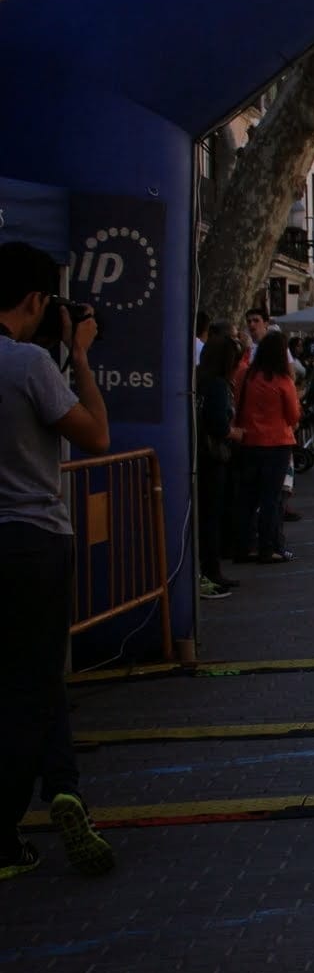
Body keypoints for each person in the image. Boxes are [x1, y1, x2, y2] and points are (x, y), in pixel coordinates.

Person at [0, 243, 116, 879]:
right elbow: (95, 435)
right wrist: (81, 358)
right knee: (37, 680)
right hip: (33, 538)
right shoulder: (27, 365)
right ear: (35, 300)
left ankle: (65, 785)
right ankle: (23, 812)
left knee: (25, 678)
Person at [234, 331, 301, 563]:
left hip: (249, 441)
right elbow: (293, 415)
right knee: (270, 498)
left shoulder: (246, 376)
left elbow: (237, 403)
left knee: (247, 498)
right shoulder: (283, 380)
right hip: (277, 442)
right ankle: (268, 546)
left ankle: (244, 545)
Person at [194, 334, 242, 598]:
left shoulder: (199, 379)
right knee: (211, 516)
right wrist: (236, 433)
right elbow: (219, 424)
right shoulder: (218, 385)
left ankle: (209, 569)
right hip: (213, 456)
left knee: (207, 516)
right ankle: (210, 570)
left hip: (200, 455)